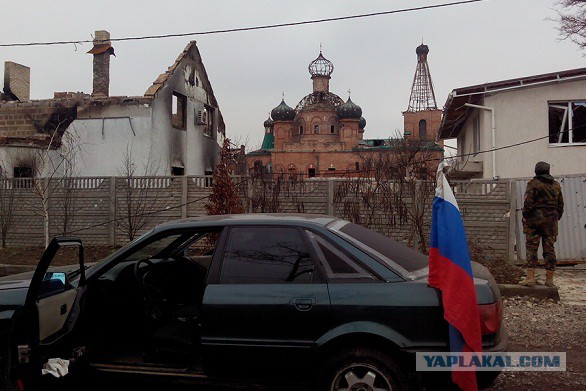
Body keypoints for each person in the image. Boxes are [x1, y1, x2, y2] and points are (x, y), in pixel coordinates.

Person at [519, 161, 564, 287]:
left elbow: (528, 204)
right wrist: (554, 218)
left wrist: (526, 217)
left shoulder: (533, 184)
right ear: (548, 171)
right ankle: (549, 280)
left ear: (536, 171)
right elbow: (560, 205)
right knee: (549, 249)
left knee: (532, 248)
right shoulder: (556, 185)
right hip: (551, 221)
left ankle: (530, 277)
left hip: (535, 221)